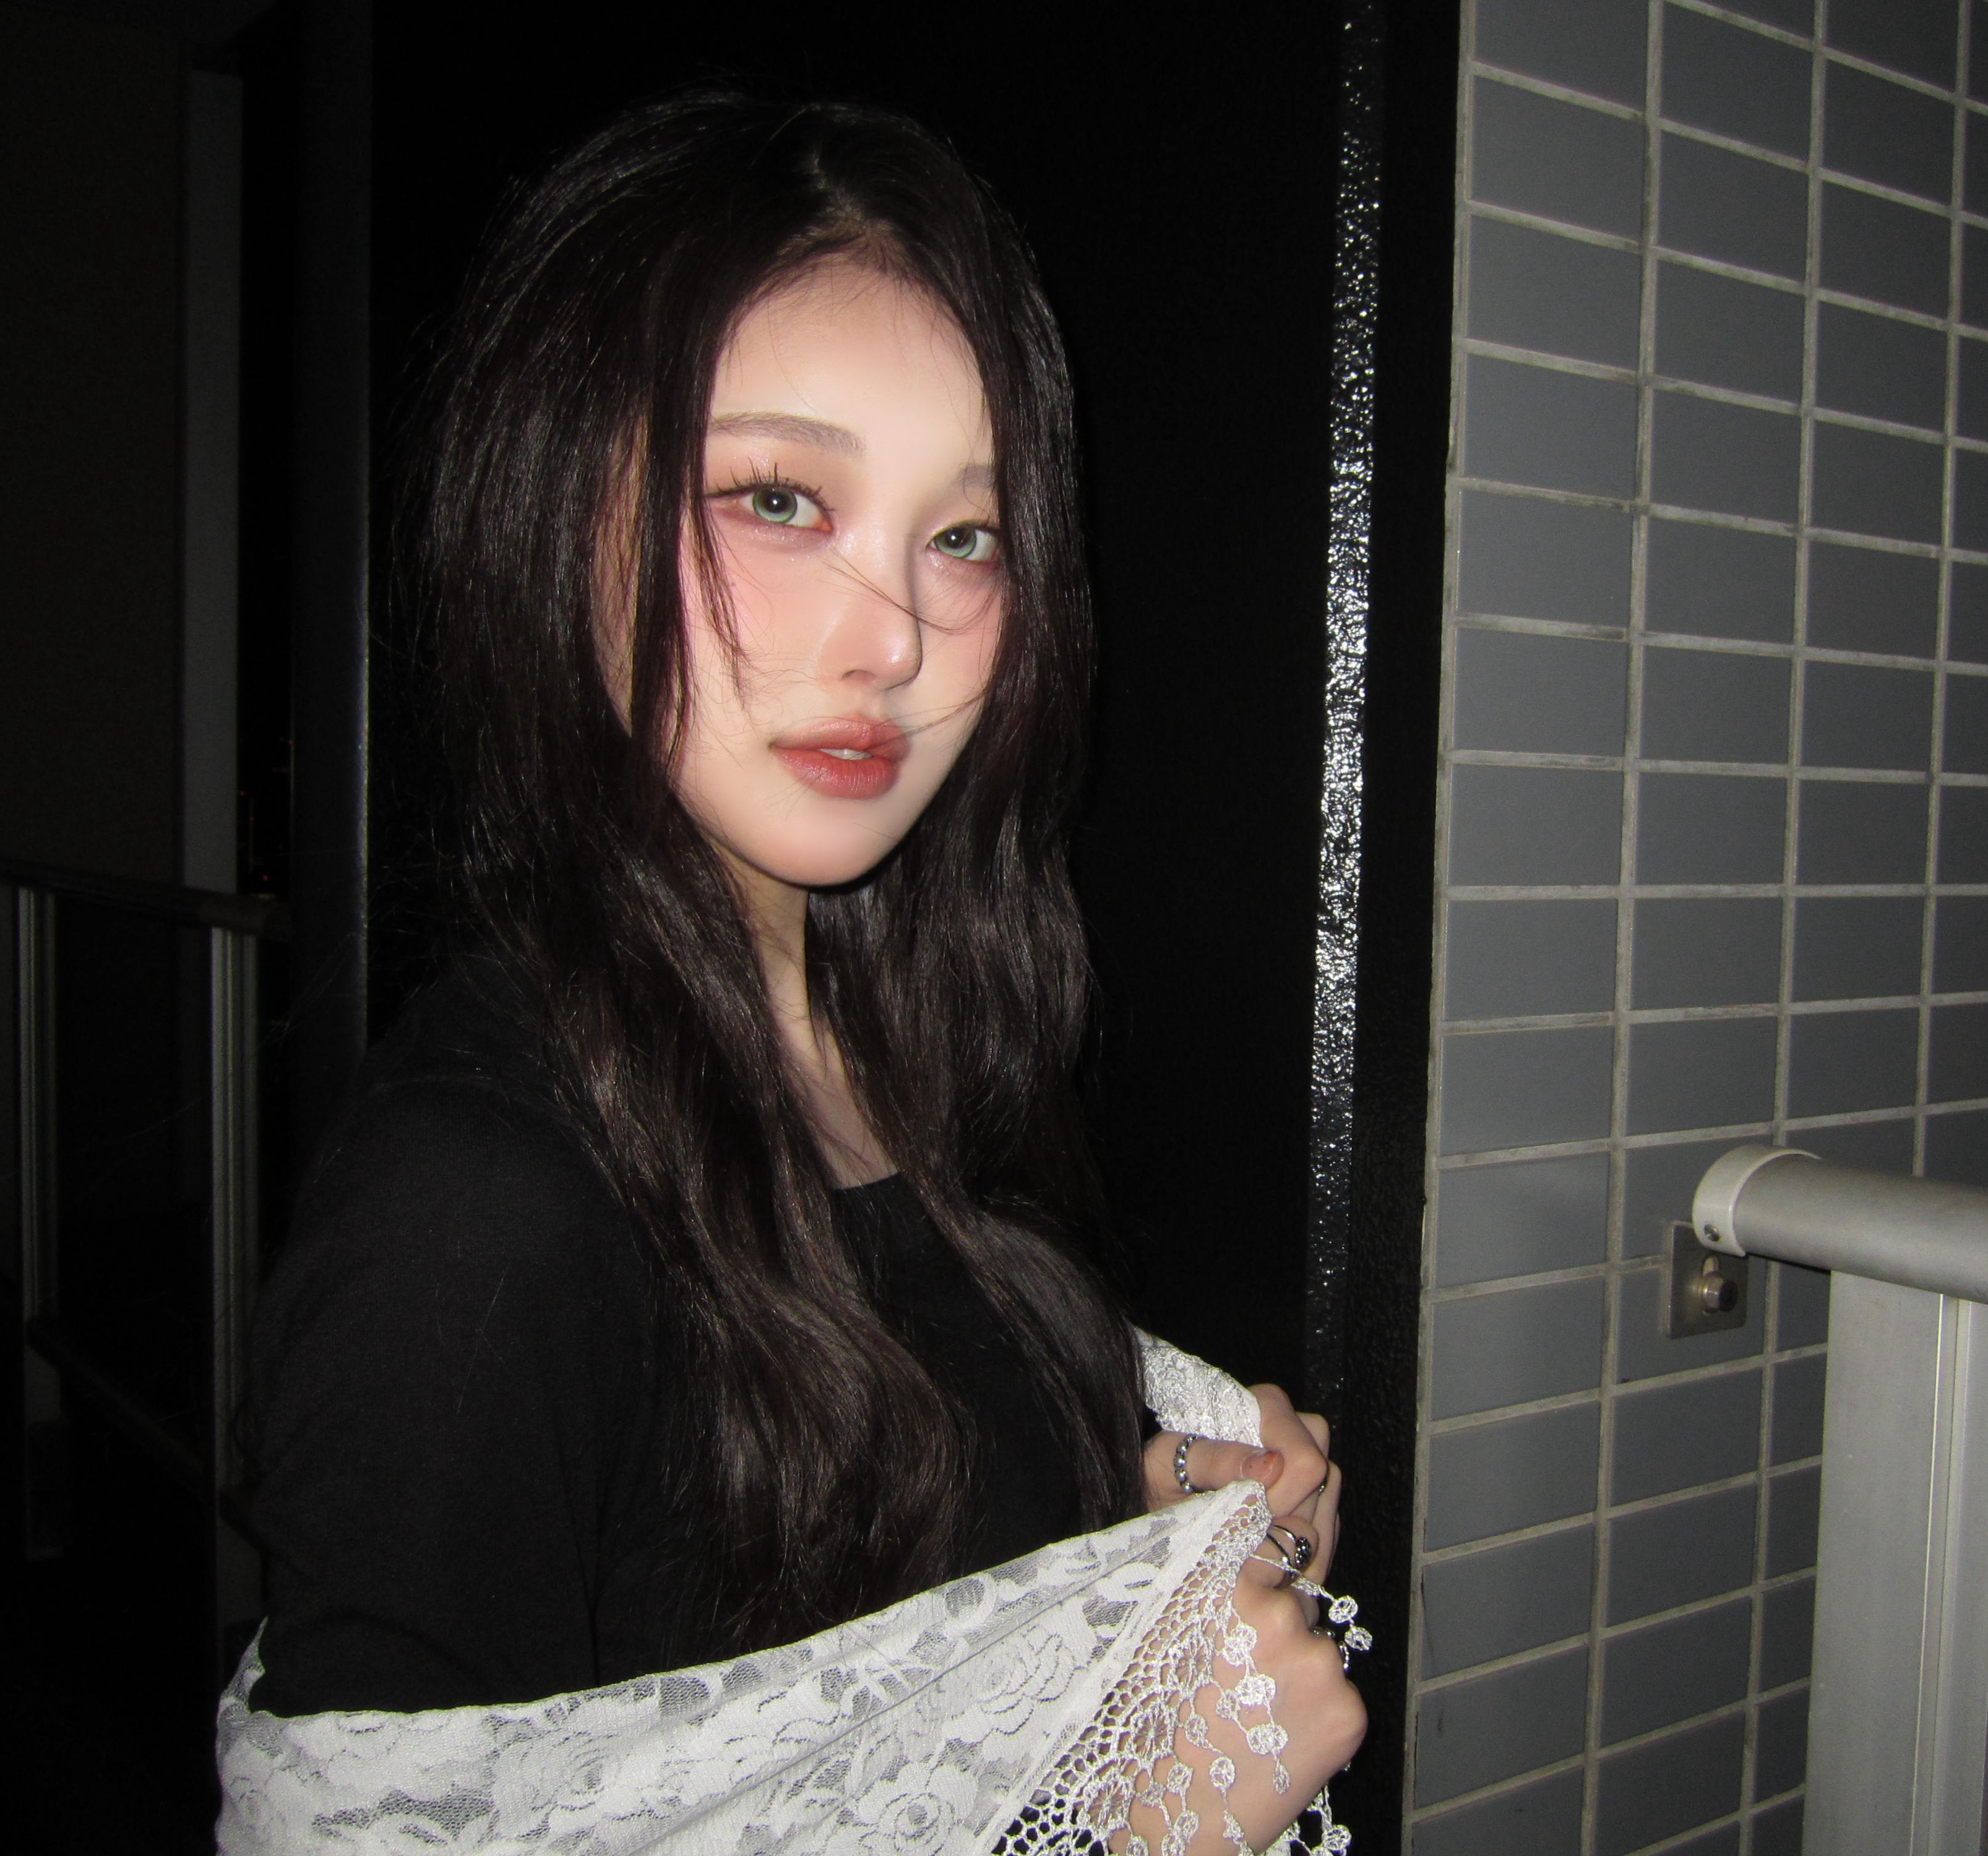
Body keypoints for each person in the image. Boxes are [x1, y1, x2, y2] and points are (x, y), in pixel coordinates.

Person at [220, 90, 1364, 1852]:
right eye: (777, 499)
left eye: (963, 537)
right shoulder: (475, 1208)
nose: (892, 636)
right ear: (558, 508)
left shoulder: (907, 1048)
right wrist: (1138, 1815)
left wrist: (1118, 1551)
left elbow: (818, 1619)